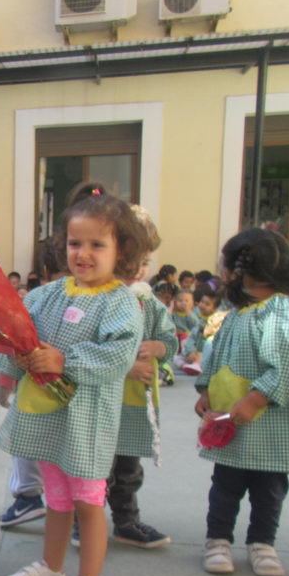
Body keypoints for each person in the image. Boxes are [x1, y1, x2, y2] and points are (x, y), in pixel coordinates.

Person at [0, 192, 146, 576]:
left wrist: (64, 361)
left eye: (98, 244)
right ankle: (52, 566)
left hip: (87, 420)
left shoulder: (121, 303)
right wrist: (17, 359)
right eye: (75, 243)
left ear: (123, 251)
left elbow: (117, 356)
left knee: (88, 499)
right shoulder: (46, 295)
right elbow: (18, 330)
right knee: (57, 496)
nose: (83, 253)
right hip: (49, 418)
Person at [194, 230, 289, 576]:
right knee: (224, 487)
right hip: (231, 422)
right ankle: (218, 540)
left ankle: (262, 543)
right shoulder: (239, 313)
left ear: (237, 271)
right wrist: (205, 390)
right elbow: (215, 357)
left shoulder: (279, 310)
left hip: (268, 427)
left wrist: (256, 398)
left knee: (268, 490)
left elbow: (287, 363)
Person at [84, 204, 175, 550]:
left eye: (145, 261)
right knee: (93, 467)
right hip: (96, 402)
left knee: (128, 468)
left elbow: (169, 339)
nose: (138, 269)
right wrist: (127, 365)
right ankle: (84, 521)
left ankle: (126, 520)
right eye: (130, 261)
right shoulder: (93, 300)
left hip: (133, 403)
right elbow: (82, 350)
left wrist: (161, 349)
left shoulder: (148, 302)